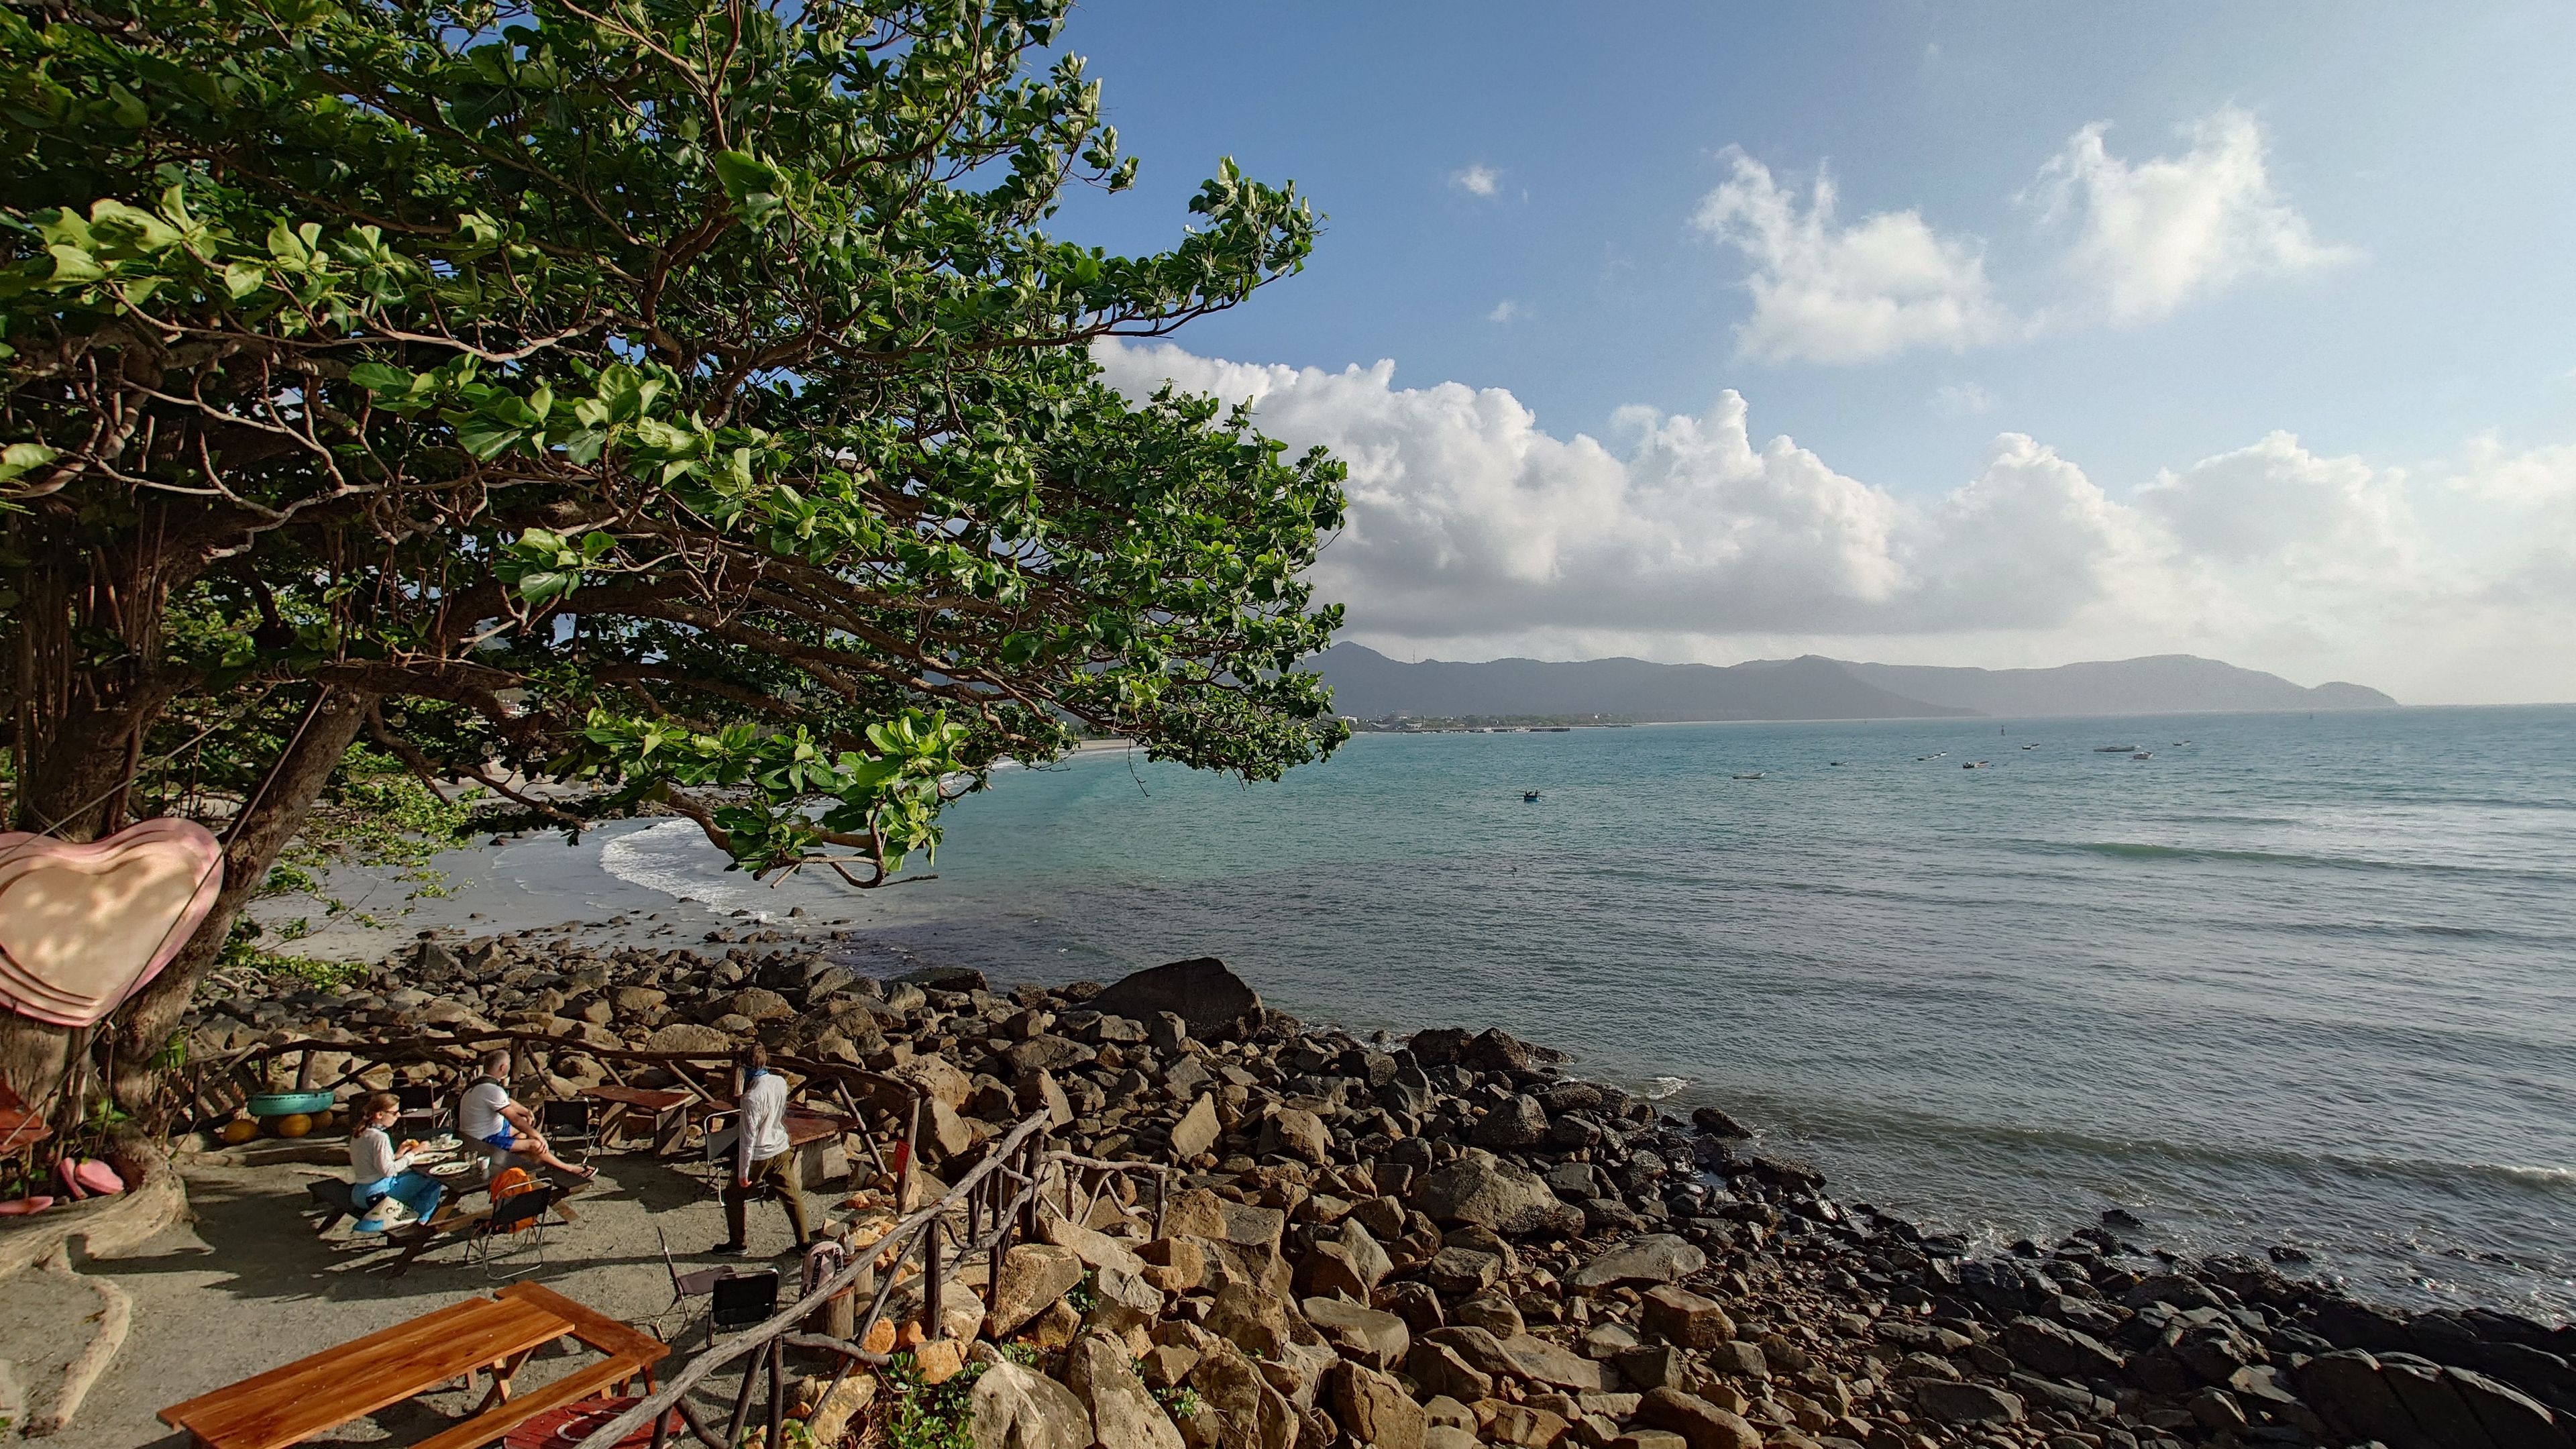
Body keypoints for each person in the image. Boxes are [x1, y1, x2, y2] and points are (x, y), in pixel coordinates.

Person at [714, 1044, 808, 1255]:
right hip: (780, 1146)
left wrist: (743, 1172)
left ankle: (738, 1244)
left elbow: (748, 1138)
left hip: (759, 1153)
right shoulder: (780, 1082)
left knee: (734, 1197)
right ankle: (805, 1243)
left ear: (745, 1067)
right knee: (792, 1196)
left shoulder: (751, 1098)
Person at [460, 1049, 595, 1179]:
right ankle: (570, 1169)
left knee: (523, 1133)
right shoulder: (492, 1090)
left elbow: (507, 1101)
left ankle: (523, 1164)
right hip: (482, 1142)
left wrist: (525, 1111)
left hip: (476, 1135)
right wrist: (538, 1136)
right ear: (503, 1067)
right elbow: (515, 1119)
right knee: (535, 1144)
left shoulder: (479, 1085)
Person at [348, 1092, 445, 1230]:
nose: (398, 1116)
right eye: (394, 1113)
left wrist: (399, 1154)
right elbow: (388, 1171)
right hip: (376, 1195)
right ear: (379, 1115)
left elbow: (373, 1162)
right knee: (433, 1178)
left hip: (359, 1193)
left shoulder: (361, 1132)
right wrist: (413, 1153)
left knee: (416, 1178)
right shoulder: (380, 1137)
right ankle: (423, 1222)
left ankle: (414, 1213)